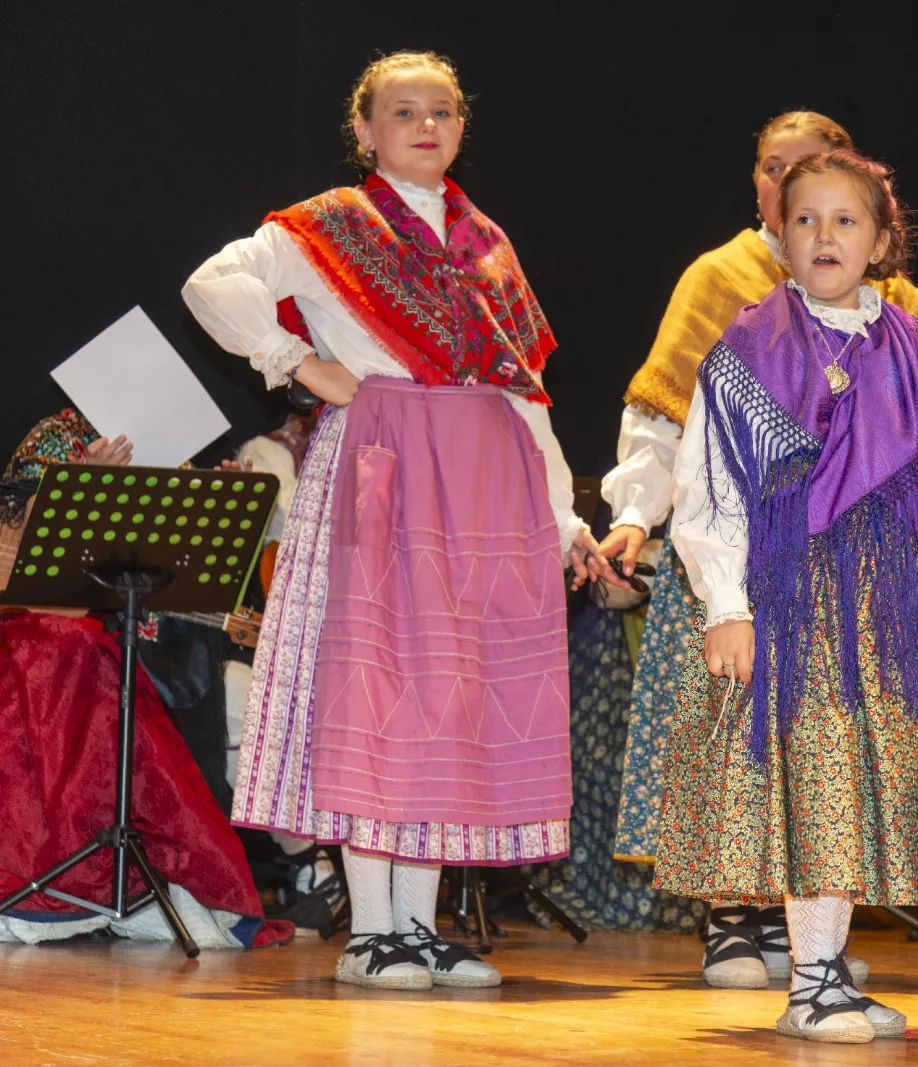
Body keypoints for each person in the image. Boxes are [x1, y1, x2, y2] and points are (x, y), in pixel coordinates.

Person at [183, 50, 611, 991]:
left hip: (483, 472)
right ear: (365, 131)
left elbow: (525, 396)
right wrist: (297, 361)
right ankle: (373, 929)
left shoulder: (487, 244)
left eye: (443, 111)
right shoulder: (331, 225)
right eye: (402, 111)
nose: (425, 125)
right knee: (379, 689)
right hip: (385, 458)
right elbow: (213, 285)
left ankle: (417, 926)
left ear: (462, 127)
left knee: (450, 697)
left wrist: (561, 516)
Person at [600, 110, 918, 984]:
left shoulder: (914, 342)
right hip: (781, 589)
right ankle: (782, 953)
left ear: (883, 237)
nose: (824, 234)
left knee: (854, 780)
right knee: (786, 772)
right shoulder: (740, 335)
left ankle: (817, 955)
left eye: (845, 218)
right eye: (804, 215)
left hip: (886, 596)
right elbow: (703, 479)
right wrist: (726, 604)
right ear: (774, 225)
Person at [0, 414, 289, 950]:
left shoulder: (170, 448)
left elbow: (176, 571)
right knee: (66, 660)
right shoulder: (55, 435)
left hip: (129, 646)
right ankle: (62, 880)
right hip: (42, 647)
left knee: (98, 676)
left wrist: (218, 513)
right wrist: (82, 485)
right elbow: (25, 571)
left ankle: (127, 878)